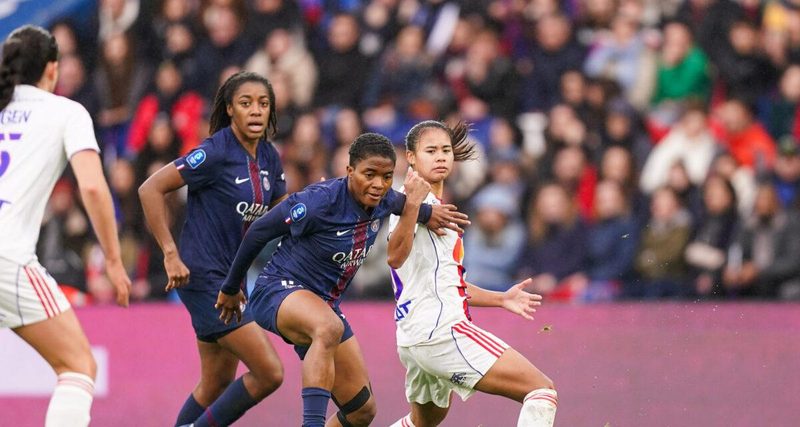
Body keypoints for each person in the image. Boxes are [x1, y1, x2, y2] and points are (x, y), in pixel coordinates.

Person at [215, 132, 470, 427]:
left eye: (387, 176)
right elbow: (259, 231)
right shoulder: (317, 202)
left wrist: (429, 213)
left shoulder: (384, 199)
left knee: (362, 410)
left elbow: (405, 204)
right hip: (277, 290)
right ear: (349, 171)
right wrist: (232, 287)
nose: (378, 184)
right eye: (369, 174)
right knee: (328, 326)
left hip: (324, 305)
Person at [0, 25, 131, 426]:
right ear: (52, 69)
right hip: (8, 258)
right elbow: (92, 186)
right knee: (77, 367)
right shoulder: (66, 112)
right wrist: (112, 257)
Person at [386, 120, 558, 427]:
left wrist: (501, 298)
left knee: (422, 422)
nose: (440, 157)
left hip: (414, 337)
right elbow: (395, 257)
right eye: (430, 151)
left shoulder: (431, 204)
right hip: (442, 332)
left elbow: (448, 283)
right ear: (411, 157)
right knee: (541, 391)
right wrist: (412, 205)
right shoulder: (412, 202)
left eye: (445, 150)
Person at [138, 71, 285, 426]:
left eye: (263, 104)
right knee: (269, 373)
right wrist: (170, 254)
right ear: (230, 109)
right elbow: (150, 189)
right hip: (204, 277)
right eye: (246, 103)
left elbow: (282, 215)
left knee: (216, 383)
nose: (255, 111)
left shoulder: (269, 158)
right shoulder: (215, 152)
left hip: (233, 280)